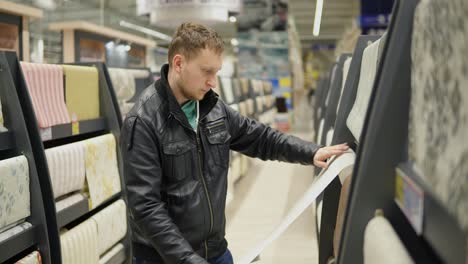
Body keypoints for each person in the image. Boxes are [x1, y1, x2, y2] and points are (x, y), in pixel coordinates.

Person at [120, 22, 349, 264]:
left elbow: (260, 137)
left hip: (215, 250)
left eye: (216, 72)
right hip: (164, 259)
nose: (213, 82)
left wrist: (311, 152)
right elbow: (146, 207)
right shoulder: (143, 121)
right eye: (207, 71)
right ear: (178, 64)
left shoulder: (212, 108)